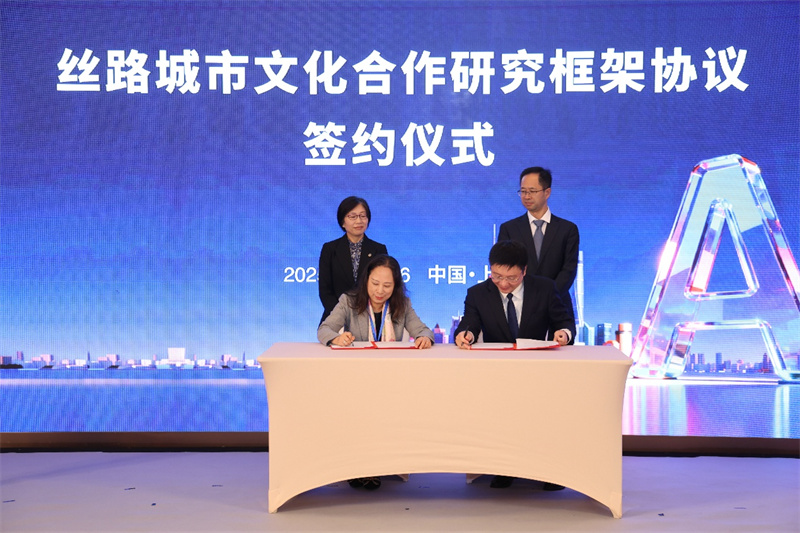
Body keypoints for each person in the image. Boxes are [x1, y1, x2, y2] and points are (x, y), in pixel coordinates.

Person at [453, 240, 575, 491]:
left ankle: (549, 472)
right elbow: (469, 323)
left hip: (538, 370)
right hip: (499, 372)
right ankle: (504, 470)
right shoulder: (478, 293)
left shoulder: (545, 288)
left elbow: (564, 321)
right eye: (497, 276)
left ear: (524, 271)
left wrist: (563, 333)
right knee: (502, 421)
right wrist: (466, 335)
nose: (503, 283)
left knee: (541, 421)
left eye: (511, 278)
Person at [318, 254, 434, 491]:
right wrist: (337, 338)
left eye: (387, 285)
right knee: (357, 419)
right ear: (366, 280)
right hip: (356, 379)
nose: (380, 291)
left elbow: (423, 330)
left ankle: (375, 468)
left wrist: (424, 337)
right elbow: (324, 329)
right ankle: (354, 468)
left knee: (385, 418)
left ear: (396, 285)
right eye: (375, 283)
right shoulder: (349, 301)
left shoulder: (402, 304)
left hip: (390, 379)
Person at [498, 167, 579, 320]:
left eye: (532, 191)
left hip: (558, 309)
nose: (526, 196)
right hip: (519, 309)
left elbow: (568, 270)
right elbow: (505, 269)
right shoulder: (509, 229)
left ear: (547, 192)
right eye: (523, 191)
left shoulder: (567, 229)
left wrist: (547, 299)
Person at [318, 196, 388, 323]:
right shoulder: (330, 249)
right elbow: (325, 290)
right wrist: (342, 316)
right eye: (353, 216)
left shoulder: (378, 250)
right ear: (343, 222)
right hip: (336, 319)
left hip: (371, 320)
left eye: (363, 216)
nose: (359, 221)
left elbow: (383, 288)